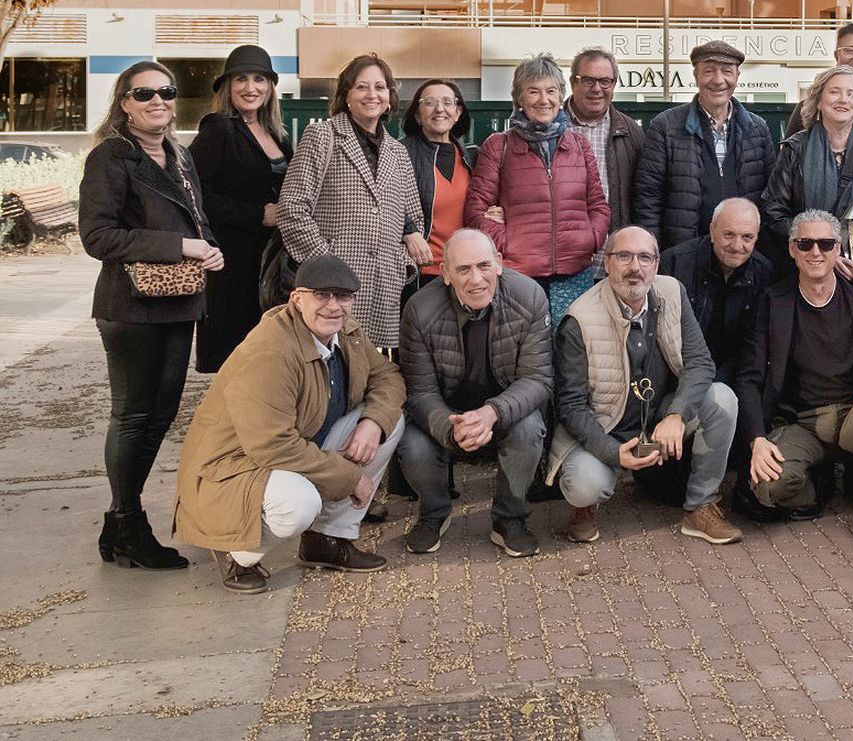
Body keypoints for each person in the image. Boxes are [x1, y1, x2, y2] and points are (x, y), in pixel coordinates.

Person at [173, 255, 405, 593]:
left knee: (389, 421)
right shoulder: (269, 352)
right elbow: (272, 445)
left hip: (297, 448)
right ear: (297, 299)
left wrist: (373, 422)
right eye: (321, 295)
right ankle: (237, 552)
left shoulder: (347, 331)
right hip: (236, 467)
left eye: (342, 296)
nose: (333, 306)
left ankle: (326, 541)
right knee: (299, 503)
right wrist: (350, 477)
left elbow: (387, 376)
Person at [80, 61, 225, 570]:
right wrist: (178, 245)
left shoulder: (178, 156)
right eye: (144, 94)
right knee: (133, 414)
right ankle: (127, 521)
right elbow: (98, 237)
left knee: (161, 414)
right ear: (124, 103)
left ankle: (122, 523)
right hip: (131, 305)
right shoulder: (110, 158)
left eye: (166, 91)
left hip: (178, 301)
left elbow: (196, 224)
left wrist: (208, 249)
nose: (157, 100)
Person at [549, 226, 742, 545]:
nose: (634, 267)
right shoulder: (579, 320)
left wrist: (677, 416)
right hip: (605, 429)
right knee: (585, 485)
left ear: (656, 264)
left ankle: (701, 506)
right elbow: (570, 407)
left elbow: (700, 363)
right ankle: (584, 508)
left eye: (644, 257)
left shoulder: (672, 292)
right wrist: (614, 452)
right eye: (624, 256)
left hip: (657, 423)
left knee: (722, 399)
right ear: (607, 263)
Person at [737, 210, 853, 542]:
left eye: (825, 243)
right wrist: (756, 439)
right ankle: (817, 484)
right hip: (801, 422)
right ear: (792, 249)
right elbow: (749, 377)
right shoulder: (774, 301)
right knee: (769, 486)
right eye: (805, 244)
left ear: (838, 250)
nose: (815, 252)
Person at [398, 230, 552, 556]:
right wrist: (451, 426)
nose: (476, 279)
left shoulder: (530, 296)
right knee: (412, 444)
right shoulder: (419, 309)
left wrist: (492, 412)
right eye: (463, 269)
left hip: (503, 410)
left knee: (529, 429)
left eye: (483, 265)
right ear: (446, 274)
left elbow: (538, 378)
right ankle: (433, 514)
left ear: (498, 264)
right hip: (447, 410)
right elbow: (420, 391)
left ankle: (509, 518)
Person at [277, 53, 427, 349]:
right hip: (329, 288)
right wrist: (327, 263)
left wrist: (400, 263)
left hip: (383, 284)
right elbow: (292, 208)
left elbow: (414, 217)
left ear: (389, 96)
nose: (372, 94)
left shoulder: (397, 152)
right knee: (326, 364)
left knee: (368, 369)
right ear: (345, 95)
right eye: (361, 87)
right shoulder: (322, 136)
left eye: (380, 87)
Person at [466, 53, 608, 321]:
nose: (544, 100)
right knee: (525, 351)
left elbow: (598, 205)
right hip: (519, 273)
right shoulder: (499, 145)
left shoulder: (579, 145)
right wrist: (507, 244)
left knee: (572, 350)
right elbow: (476, 210)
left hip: (575, 273)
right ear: (519, 98)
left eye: (551, 91)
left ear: (560, 96)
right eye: (533, 91)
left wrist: (590, 238)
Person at [190, 45, 288, 373]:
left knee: (268, 358)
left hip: (270, 263)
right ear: (227, 87)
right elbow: (196, 194)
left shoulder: (277, 133)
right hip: (232, 264)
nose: (251, 87)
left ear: (270, 87)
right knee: (237, 360)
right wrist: (257, 214)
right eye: (241, 79)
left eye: (259, 79)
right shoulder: (218, 127)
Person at [635, 41, 774, 250]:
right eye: (709, 71)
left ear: (737, 76)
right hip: (685, 252)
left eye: (727, 71)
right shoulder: (665, 126)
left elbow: (770, 195)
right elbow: (648, 198)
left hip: (742, 252)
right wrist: (652, 251)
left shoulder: (757, 128)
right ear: (696, 76)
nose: (718, 80)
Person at [763, 65, 853, 280]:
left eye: (851, 94)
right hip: (804, 267)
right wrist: (819, 247)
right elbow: (773, 213)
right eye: (834, 92)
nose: (843, 100)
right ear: (818, 101)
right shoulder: (795, 150)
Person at [659, 197, 773, 384]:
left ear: (756, 238)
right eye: (728, 234)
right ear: (712, 231)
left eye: (747, 237)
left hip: (732, 379)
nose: (737, 246)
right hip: (676, 376)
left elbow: (750, 346)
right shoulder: (674, 264)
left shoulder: (763, 272)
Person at [398, 79, 477, 309]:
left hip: (464, 271)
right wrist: (407, 230)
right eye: (430, 102)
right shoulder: (399, 152)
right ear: (417, 115)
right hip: (420, 272)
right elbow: (381, 200)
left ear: (458, 112)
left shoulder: (472, 157)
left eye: (447, 102)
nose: (439, 109)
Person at [564, 47, 645, 231]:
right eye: (588, 80)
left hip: (613, 246)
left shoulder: (631, 132)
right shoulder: (551, 128)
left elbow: (644, 196)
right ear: (572, 83)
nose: (597, 88)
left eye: (605, 81)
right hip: (562, 247)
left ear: (614, 85)